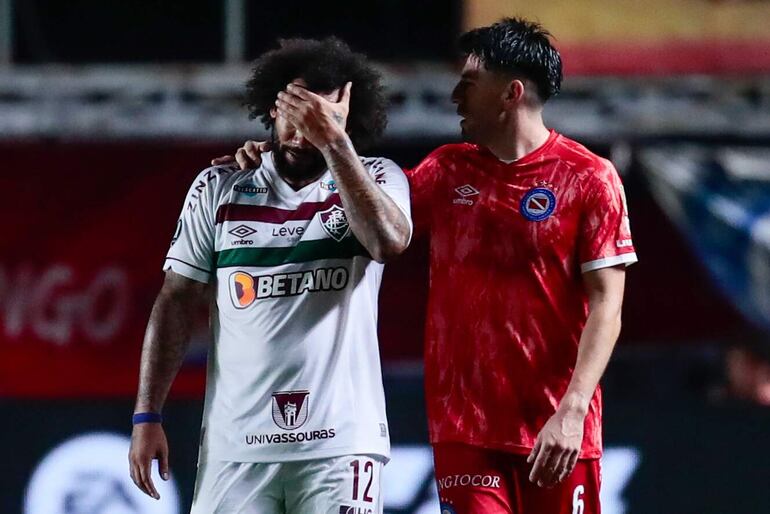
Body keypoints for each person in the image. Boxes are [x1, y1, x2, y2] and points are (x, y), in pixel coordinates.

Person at [217, 17, 637, 514]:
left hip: (558, 431)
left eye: (469, 82)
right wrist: (286, 155)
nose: (456, 95)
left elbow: (607, 307)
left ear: (511, 94)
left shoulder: (589, 178)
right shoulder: (444, 171)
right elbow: (367, 209)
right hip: (465, 430)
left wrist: (573, 409)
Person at [128, 37, 412, 514]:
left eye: (316, 118)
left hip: (340, 447)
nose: (301, 132)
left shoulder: (378, 178)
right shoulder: (220, 186)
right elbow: (175, 299)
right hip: (236, 449)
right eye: (292, 112)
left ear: (343, 118)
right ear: (270, 108)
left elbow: (387, 242)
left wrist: (335, 143)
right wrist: (146, 415)